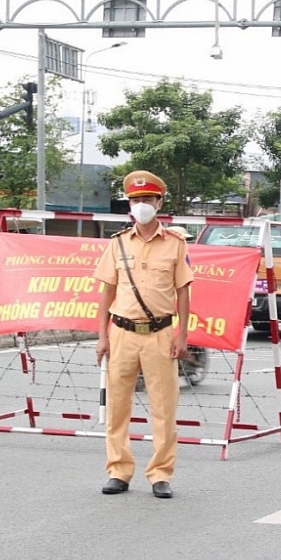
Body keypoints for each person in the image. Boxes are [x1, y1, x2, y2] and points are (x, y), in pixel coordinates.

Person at [93, 170, 193, 499]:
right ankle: (118, 470)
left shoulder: (175, 245)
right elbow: (107, 293)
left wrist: (182, 336)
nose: (141, 205)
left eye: (147, 200)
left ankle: (161, 474)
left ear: (159, 202)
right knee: (117, 406)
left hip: (161, 334)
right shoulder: (118, 243)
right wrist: (102, 336)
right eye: (136, 200)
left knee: (164, 408)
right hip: (122, 332)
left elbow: (183, 293)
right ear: (129, 206)